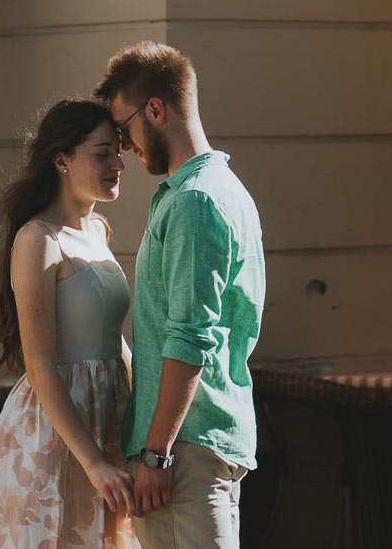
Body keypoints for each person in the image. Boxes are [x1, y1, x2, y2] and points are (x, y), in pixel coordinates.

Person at [94, 42, 265, 549]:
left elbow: (190, 336)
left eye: (123, 130)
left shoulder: (194, 201)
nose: (124, 146)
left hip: (182, 450)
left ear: (155, 109)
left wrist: (156, 455)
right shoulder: (222, 187)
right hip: (202, 440)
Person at [0, 99, 141, 548]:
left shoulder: (98, 230)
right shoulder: (37, 238)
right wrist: (93, 461)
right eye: (102, 153)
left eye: (117, 151)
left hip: (110, 413)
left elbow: (116, 340)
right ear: (62, 159)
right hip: (59, 427)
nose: (118, 163)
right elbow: (39, 364)